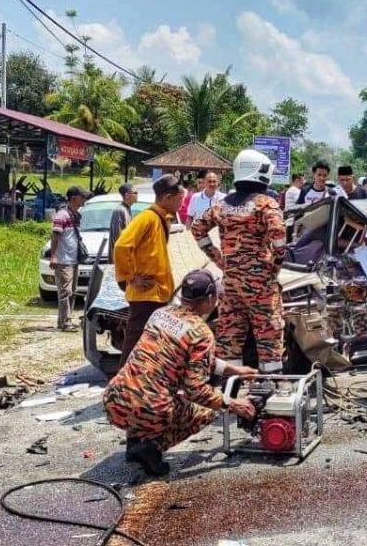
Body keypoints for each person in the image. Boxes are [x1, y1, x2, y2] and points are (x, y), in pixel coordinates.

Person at [103, 269, 259, 476]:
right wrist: (232, 403)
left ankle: (135, 443)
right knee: (209, 409)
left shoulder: (160, 314)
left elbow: (186, 356)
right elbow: (196, 391)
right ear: (209, 299)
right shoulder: (201, 333)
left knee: (148, 390)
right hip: (149, 409)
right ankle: (152, 446)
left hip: (115, 401)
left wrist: (235, 369)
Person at [191, 149, 288, 374]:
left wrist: (217, 259)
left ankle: (229, 390)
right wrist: (275, 267)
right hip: (260, 285)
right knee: (268, 335)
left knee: (230, 335)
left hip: (231, 284)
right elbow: (280, 240)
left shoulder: (221, 205)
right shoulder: (266, 204)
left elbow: (197, 228)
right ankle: (269, 387)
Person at [112, 175, 185, 366]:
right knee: (135, 340)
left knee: (152, 342)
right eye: (179, 200)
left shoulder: (162, 218)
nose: (181, 205)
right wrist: (129, 277)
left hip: (157, 292)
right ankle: (122, 384)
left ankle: (142, 382)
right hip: (145, 293)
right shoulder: (147, 217)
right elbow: (121, 246)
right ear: (167, 198)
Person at [49, 185, 91, 331]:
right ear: (74, 198)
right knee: (65, 292)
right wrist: (54, 256)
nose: (84, 200)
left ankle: (65, 321)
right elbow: (55, 236)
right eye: (82, 197)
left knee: (71, 292)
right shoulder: (62, 216)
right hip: (63, 260)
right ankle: (65, 322)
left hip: (73, 260)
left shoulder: (75, 215)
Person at [108, 183, 137, 263]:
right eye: (135, 193)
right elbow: (118, 237)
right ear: (127, 195)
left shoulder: (127, 209)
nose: (137, 195)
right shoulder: (120, 211)